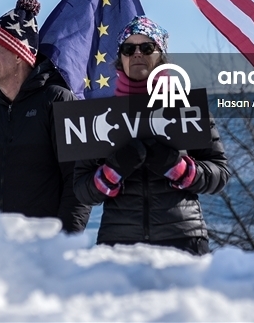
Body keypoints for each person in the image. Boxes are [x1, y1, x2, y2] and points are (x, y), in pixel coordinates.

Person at [74, 16, 230, 255]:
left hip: (183, 239)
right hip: (118, 242)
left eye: (147, 47)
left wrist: (179, 169)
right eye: (129, 48)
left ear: (161, 56)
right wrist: (111, 172)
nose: (137, 53)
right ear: (121, 58)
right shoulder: (99, 115)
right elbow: (82, 189)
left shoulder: (187, 109)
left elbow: (220, 175)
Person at [0, 0, 90, 233]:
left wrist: (64, 242)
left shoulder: (59, 101)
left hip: (44, 247)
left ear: (19, 55)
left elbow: (77, 183)